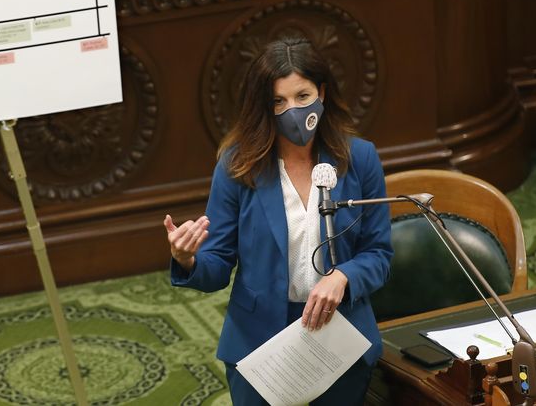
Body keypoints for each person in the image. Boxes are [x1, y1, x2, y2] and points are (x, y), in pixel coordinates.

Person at [166, 35, 393, 405]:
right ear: (263, 106)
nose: (292, 111)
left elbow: (379, 254)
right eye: (278, 101)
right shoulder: (238, 166)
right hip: (260, 341)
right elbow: (218, 265)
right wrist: (186, 259)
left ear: (321, 92)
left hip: (339, 333)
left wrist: (344, 277)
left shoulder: (360, 158)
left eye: (302, 97)